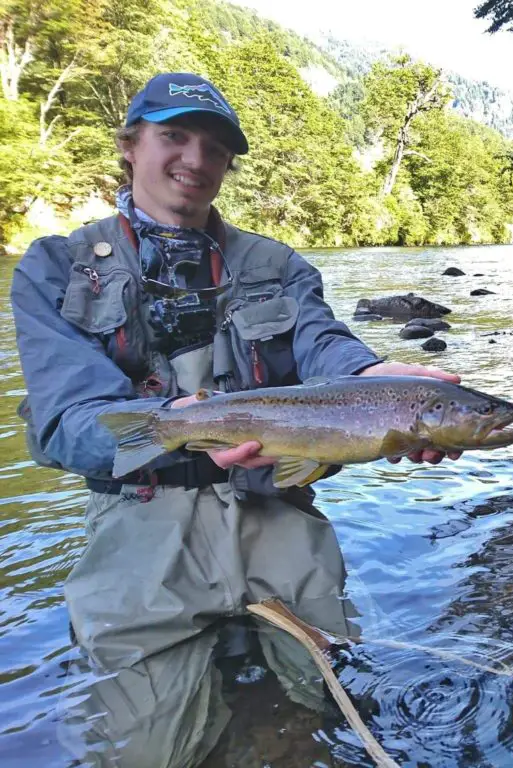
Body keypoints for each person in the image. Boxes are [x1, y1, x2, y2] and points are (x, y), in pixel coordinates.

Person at [10, 72, 463, 766]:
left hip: (275, 504)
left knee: (319, 714)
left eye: (215, 147)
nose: (195, 158)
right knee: (149, 751)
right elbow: (72, 421)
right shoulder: (56, 268)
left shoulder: (275, 264)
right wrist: (168, 425)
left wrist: (374, 380)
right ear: (130, 145)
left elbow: (321, 342)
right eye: (174, 136)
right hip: (142, 516)